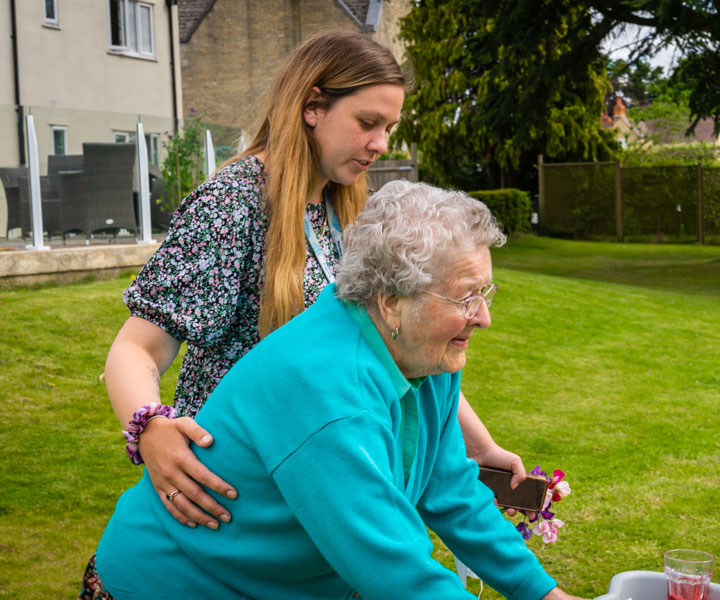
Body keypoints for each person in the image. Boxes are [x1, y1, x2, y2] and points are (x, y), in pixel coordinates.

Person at [101, 29, 526, 535]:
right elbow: (136, 349)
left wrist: (480, 449)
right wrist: (149, 428)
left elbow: (405, 347)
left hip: (316, 489)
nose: (381, 144)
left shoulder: (350, 209)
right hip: (230, 502)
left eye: (389, 126)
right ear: (312, 106)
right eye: (368, 123)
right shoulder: (232, 204)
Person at [86, 181, 584, 600]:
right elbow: (392, 568)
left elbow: (451, 489)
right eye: (466, 297)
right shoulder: (328, 392)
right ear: (390, 302)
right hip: (173, 583)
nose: (485, 317)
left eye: (485, 293)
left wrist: (542, 592)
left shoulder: (427, 354)